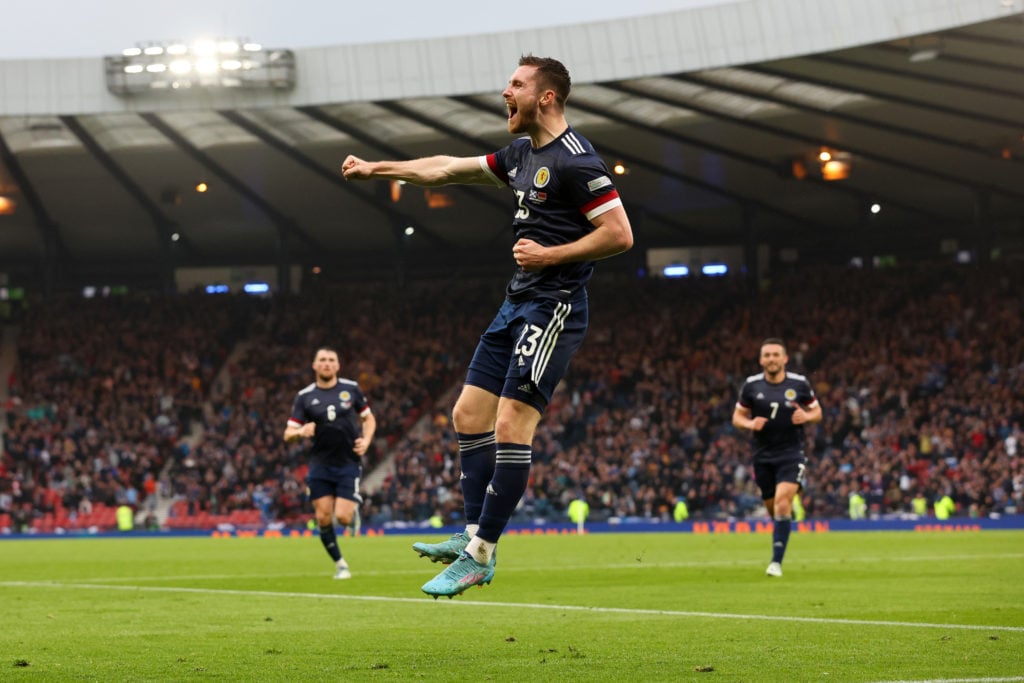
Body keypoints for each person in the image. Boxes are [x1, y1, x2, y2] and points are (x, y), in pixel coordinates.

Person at [342, 54, 633, 598]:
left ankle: (480, 554)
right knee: (467, 413)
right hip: (516, 301)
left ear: (546, 96)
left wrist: (550, 255)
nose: (506, 92)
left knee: (510, 425)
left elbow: (620, 235)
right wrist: (376, 169)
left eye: (517, 84)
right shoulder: (522, 154)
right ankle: (475, 533)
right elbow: (446, 167)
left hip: (555, 305)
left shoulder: (577, 161)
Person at [283, 346, 376, 579]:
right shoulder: (304, 396)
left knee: (342, 518)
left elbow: (368, 418)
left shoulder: (351, 388)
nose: (326, 363)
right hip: (320, 464)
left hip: (347, 462)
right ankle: (341, 564)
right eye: (322, 360)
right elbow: (287, 433)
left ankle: (352, 512)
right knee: (323, 517)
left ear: (337, 365)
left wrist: (366, 440)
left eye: (331, 360)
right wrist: (300, 431)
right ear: (314, 365)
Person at [732, 338, 822, 578]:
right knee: (775, 510)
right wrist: (750, 423)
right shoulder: (751, 386)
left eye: (775, 355)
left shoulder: (799, 384)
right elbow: (737, 417)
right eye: (767, 355)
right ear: (761, 360)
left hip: (791, 453)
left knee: (783, 503)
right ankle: (785, 523)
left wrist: (807, 417)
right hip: (762, 456)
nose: (771, 359)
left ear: (785, 359)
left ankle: (775, 563)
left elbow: (817, 412)